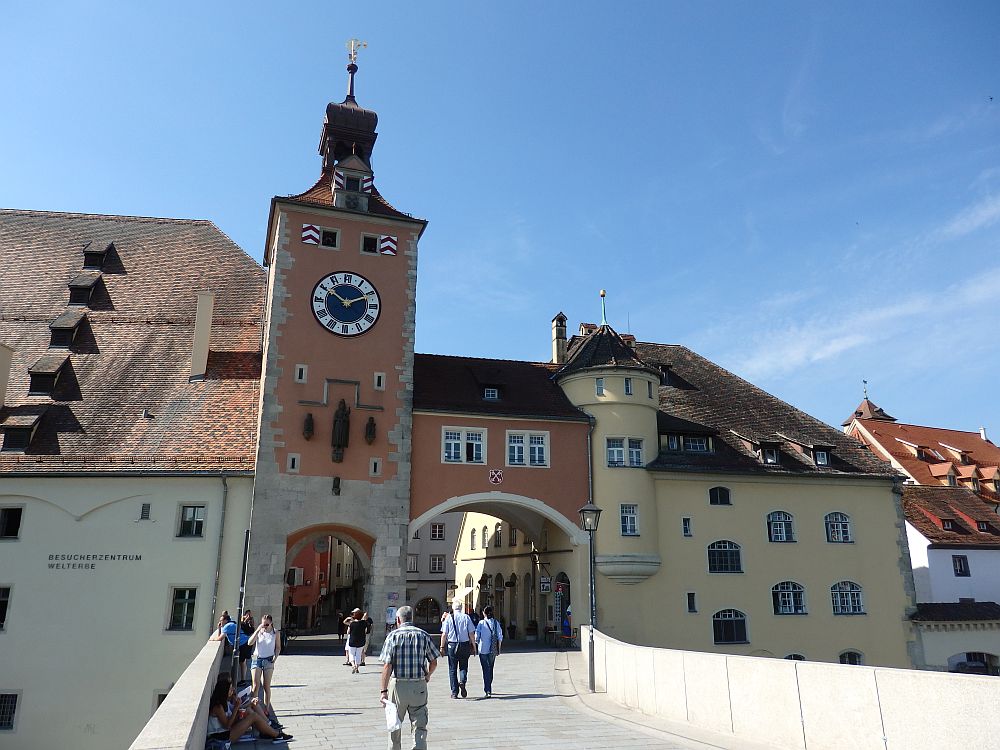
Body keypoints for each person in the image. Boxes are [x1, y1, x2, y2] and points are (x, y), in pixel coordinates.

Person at [379, 605, 439, 750]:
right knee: (420, 725)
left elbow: (387, 666)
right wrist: (428, 675)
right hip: (418, 685)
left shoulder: (393, 636)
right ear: (412, 618)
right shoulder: (423, 635)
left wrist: (383, 691)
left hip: (398, 685)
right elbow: (434, 662)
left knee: (394, 725)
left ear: (398, 620)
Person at [207, 672, 292, 745]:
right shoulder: (218, 706)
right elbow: (227, 725)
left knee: (249, 712)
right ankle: (277, 735)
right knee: (253, 716)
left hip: (225, 733)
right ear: (224, 691)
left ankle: (268, 731)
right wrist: (237, 708)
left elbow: (229, 720)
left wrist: (239, 709)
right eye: (230, 689)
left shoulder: (224, 701)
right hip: (221, 738)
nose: (232, 690)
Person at [439, 600, 476, 698]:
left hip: (452, 645)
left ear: (453, 608)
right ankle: (462, 681)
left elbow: (444, 634)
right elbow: (471, 633)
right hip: (464, 645)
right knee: (463, 666)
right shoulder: (466, 617)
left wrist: (442, 647)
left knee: (452, 669)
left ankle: (454, 692)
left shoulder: (449, 618)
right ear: (461, 608)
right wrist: (474, 646)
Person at [248, 613, 281, 720]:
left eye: (267, 624)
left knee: (267, 686)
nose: (265, 626)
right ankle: (254, 707)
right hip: (257, 658)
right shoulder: (259, 631)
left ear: (271, 623)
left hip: (268, 660)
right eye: (263, 624)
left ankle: (266, 709)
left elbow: (278, 647)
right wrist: (257, 630)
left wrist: (275, 658)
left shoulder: (275, 633)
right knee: (256, 685)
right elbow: (249, 643)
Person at [474, 605, 503, 698]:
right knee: (490, 668)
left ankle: (487, 689)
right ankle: (489, 687)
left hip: (483, 649)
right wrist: (499, 648)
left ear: (484, 613)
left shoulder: (481, 623)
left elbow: (476, 636)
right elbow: (500, 636)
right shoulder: (496, 623)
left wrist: (476, 643)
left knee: (485, 669)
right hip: (493, 649)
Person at [345, 608, 369, 673]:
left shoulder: (352, 623)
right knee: (358, 654)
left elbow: (348, 632)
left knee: (351, 654)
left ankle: (353, 665)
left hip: (352, 641)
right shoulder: (364, 623)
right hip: (361, 641)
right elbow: (365, 631)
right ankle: (357, 667)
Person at [238, 610, 256, 681]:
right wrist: (245, 620)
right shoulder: (242, 622)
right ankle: (244, 678)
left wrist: (250, 622)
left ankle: (250, 677)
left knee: (252, 660)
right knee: (243, 661)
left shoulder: (250, 622)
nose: (249, 617)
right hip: (244, 644)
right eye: (247, 615)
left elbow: (250, 630)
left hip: (249, 644)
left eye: (250, 615)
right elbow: (242, 627)